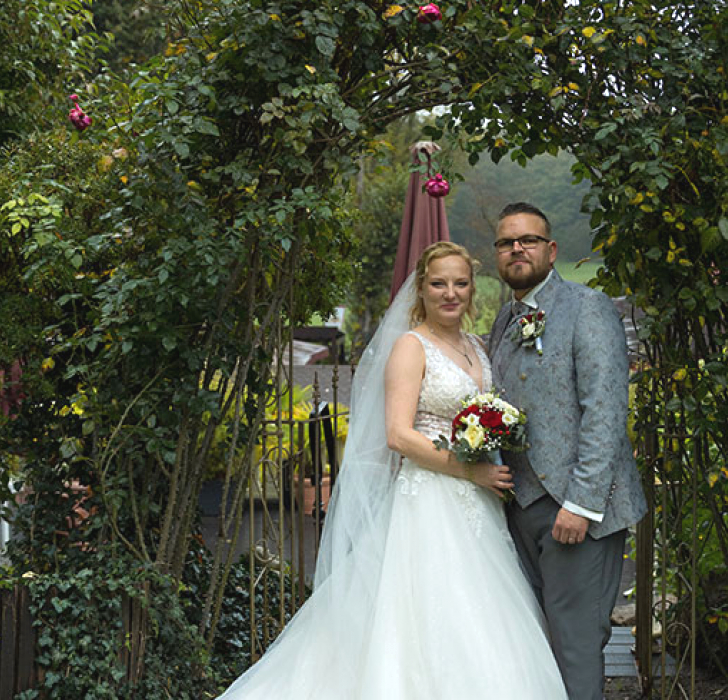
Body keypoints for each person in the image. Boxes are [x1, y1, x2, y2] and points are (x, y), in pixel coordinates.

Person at [218, 241, 567, 699]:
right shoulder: (411, 346)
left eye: (460, 283)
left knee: (483, 610)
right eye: (438, 284)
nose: (450, 293)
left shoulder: (476, 347)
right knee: (430, 610)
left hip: (480, 504)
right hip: (430, 500)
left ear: (471, 289)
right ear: (421, 289)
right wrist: (469, 472)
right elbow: (398, 435)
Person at [488, 203, 649, 700]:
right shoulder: (504, 319)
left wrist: (581, 504)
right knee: (535, 642)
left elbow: (605, 409)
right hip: (521, 505)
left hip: (576, 509)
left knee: (575, 644)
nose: (517, 249)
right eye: (506, 242)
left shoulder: (587, 307)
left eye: (528, 240)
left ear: (551, 249)